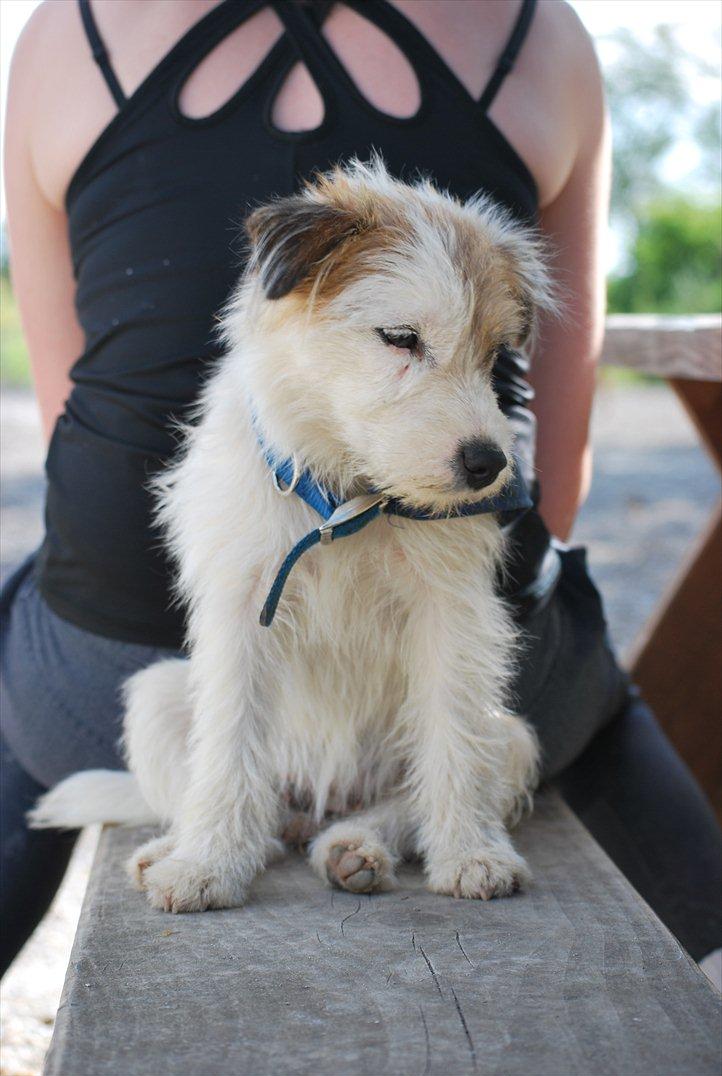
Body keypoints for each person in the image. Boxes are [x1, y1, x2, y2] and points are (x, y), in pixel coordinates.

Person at [2, 0, 720, 975]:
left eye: (484, 357)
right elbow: (561, 474)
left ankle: (399, 821)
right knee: (574, 677)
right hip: (209, 710)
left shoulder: (63, 36)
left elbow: (64, 428)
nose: (472, 420)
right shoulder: (539, 39)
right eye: (402, 346)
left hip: (131, 668)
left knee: (38, 599)